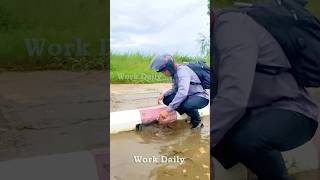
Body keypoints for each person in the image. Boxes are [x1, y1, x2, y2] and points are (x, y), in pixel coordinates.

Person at [211, 7, 319, 180]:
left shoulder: (232, 28)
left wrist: (200, 138)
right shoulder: (211, 38)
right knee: (218, 141)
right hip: (252, 112)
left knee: (245, 140)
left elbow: (233, 97)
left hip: (292, 110)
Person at [149, 54, 209, 129]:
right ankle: (188, 114)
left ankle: (197, 123)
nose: (163, 74)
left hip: (200, 96)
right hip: (189, 96)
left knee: (187, 105)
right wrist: (164, 94)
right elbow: (175, 89)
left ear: (169, 68)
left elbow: (182, 92)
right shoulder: (174, 74)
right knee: (167, 99)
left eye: (164, 71)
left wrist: (168, 111)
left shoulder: (182, 71)